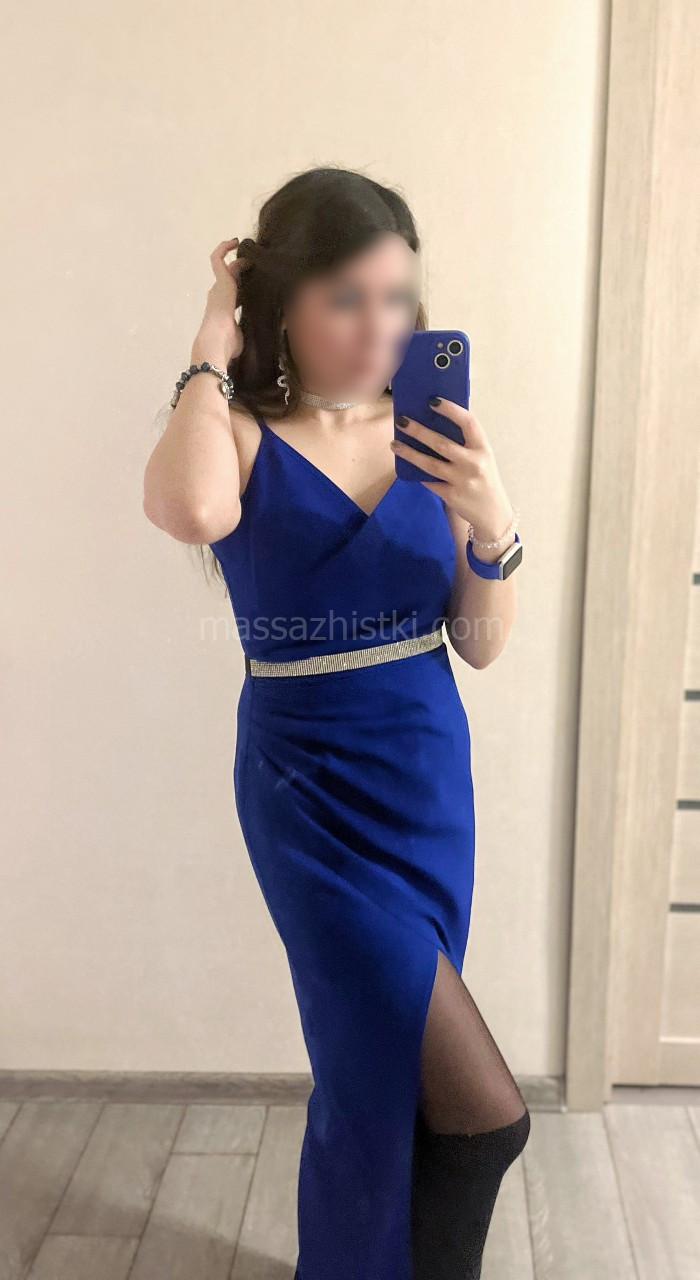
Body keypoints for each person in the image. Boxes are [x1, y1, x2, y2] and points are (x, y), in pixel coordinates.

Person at [144, 166, 530, 1280]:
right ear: (283, 303)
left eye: (398, 298)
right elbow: (191, 509)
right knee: (486, 1116)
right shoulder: (238, 433)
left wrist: (493, 525)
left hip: (424, 777)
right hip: (306, 790)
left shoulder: (433, 439)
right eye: (346, 298)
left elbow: (479, 643)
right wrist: (211, 336)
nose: (379, 328)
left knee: (385, 1077)